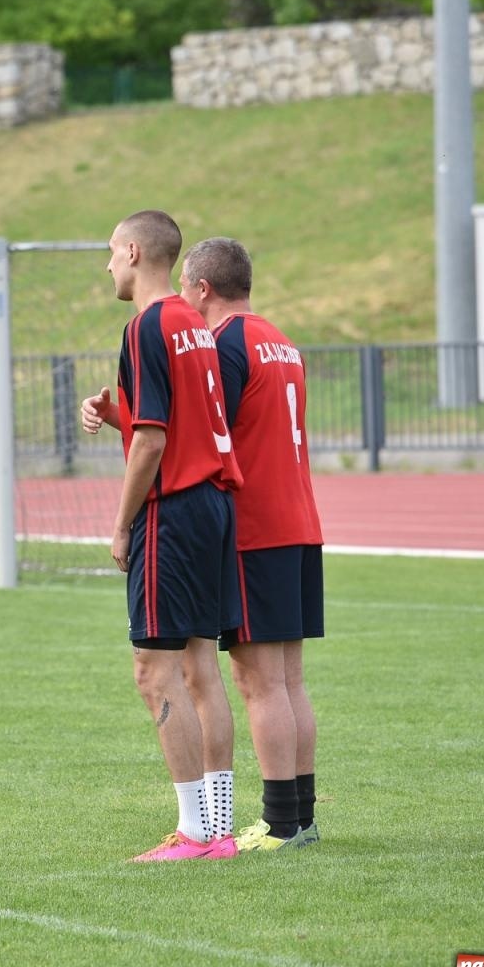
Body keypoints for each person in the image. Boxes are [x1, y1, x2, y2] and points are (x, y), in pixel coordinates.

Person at [80, 210, 242, 862]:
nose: (108, 265)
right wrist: (116, 411)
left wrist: (121, 525)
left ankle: (193, 833)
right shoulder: (191, 325)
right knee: (200, 666)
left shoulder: (146, 325)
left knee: (154, 669)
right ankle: (220, 828)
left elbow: (154, 440)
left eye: (111, 251)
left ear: (136, 251)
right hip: (212, 506)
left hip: (170, 512)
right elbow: (175, 421)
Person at [178, 237, 323, 851]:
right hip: (300, 522)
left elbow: (207, 435)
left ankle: (280, 823)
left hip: (255, 527)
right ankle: (302, 817)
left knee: (259, 683)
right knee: (288, 680)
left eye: (186, 288)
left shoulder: (226, 343)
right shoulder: (280, 340)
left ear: (202, 289)